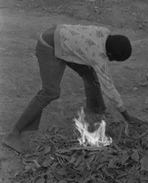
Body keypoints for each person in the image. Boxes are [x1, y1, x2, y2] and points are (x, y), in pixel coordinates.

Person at [3, 24, 140, 153]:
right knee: (50, 92)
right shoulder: (98, 56)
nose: (111, 62)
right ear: (109, 54)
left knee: (90, 75)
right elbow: (109, 88)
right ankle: (13, 134)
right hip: (49, 46)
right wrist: (127, 116)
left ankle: (95, 112)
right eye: (113, 60)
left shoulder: (104, 33)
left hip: (62, 38)